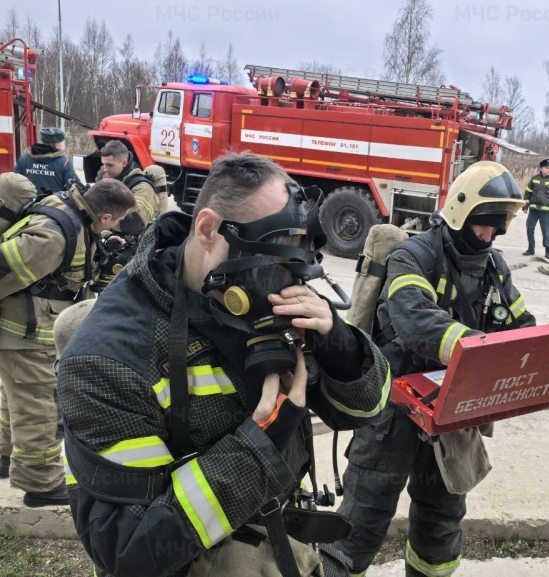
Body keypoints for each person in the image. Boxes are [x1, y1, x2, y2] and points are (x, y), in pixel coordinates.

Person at [58, 153, 390, 577]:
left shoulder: (263, 295)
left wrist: (339, 345)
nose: (286, 280)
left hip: (282, 553)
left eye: (296, 255)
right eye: (272, 254)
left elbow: (365, 410)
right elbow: (129, 551)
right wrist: (262, 442)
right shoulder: (106, 361)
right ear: (209, 228)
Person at [333, 161, 536, 577]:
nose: (490, 235)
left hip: (451, 414)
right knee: (361, 521)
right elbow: (413, 319)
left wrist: (534, 362)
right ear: (461, 213)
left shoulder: (494, 267)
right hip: (394, 414)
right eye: (484, 224)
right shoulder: (414, 256)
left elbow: (521, 325)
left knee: (442, 522)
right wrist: (476, 348)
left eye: (500, 227)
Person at [0, 179, 136, 506]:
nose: (115, 226)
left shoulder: (73, 215)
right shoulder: (54, 235)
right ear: (105, 216)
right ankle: (41, 484)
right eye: (116, 220)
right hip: (25, 333)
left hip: (21, 332)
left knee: (14, 397)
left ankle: (4, 456)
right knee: (40, 406)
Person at [97, 140, 159, 235]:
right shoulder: (112, 180)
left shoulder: (143, 188)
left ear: (124, 163)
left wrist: (97, 216)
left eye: (110, 165)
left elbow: (134, 222)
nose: (105, 169)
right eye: (103, 164)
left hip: (136, 245)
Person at [13, 127, 79, 196]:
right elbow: (74, 189)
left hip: (29, 205)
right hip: (55, 205)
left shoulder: (24, 159)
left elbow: (14, 183)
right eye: (62, 142)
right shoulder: (65, 163)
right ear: (56, 145)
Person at [522, 158, 549, 259]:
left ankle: (548, 250)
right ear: (541, 168)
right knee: (530, 229)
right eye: (547, 168)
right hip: (533, 210)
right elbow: (527, 193)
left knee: (546, 231)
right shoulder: (534, 179)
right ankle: (531, 249)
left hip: (546, 212)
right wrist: (525, 207)